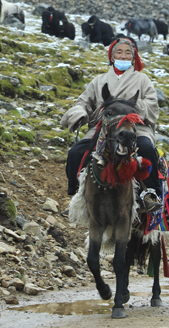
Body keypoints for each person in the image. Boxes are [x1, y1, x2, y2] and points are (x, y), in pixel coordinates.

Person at [60, 35, 162, 212]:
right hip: (104, 127)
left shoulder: (143, 80)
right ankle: (78, 197)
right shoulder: (99, 81)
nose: (123, 56)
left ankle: (150, 194)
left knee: (145, 147)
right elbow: (83, 102)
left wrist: (128, 107)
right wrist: (79, 113)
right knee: (76, 153)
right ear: (112, 56)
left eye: (128, 53)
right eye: (119, 52)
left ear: (133, 57)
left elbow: (152, 105)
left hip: (135, 126)